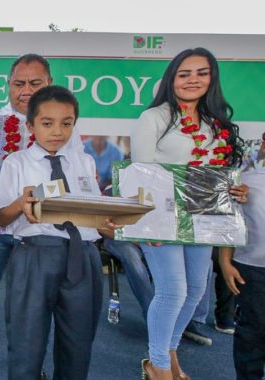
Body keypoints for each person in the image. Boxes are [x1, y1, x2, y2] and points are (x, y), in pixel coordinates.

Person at [131, 47, 248, 380]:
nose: (193, 80)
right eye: (184, 74)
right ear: (172, 79)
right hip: (163, 218)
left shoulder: (217, 124)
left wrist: (234, 190)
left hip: (204, 218)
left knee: (197, 291)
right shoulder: (154, 118)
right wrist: (146, 224)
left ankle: (168, 352)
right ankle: (157, 365)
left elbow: (220, 175)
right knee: (173, 291)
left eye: (201, 72)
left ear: (212, 78)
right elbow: (142, 175)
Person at [0, 86, 111, 380]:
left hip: (83, 257)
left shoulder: (84, 162)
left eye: (67, 122)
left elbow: (95, 213)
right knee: (26, 342)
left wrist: (108, 224)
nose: (57, 131)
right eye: (47, 123)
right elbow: (0, 217)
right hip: (34, 255)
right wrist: (20, 205)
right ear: (30, 125)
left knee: (78, 343)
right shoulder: (17, 163)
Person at [219, 157, 265, 380]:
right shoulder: (245, 180)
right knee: (253, 333)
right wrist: (225, 261)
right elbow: (231, 223)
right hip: (252, 269)